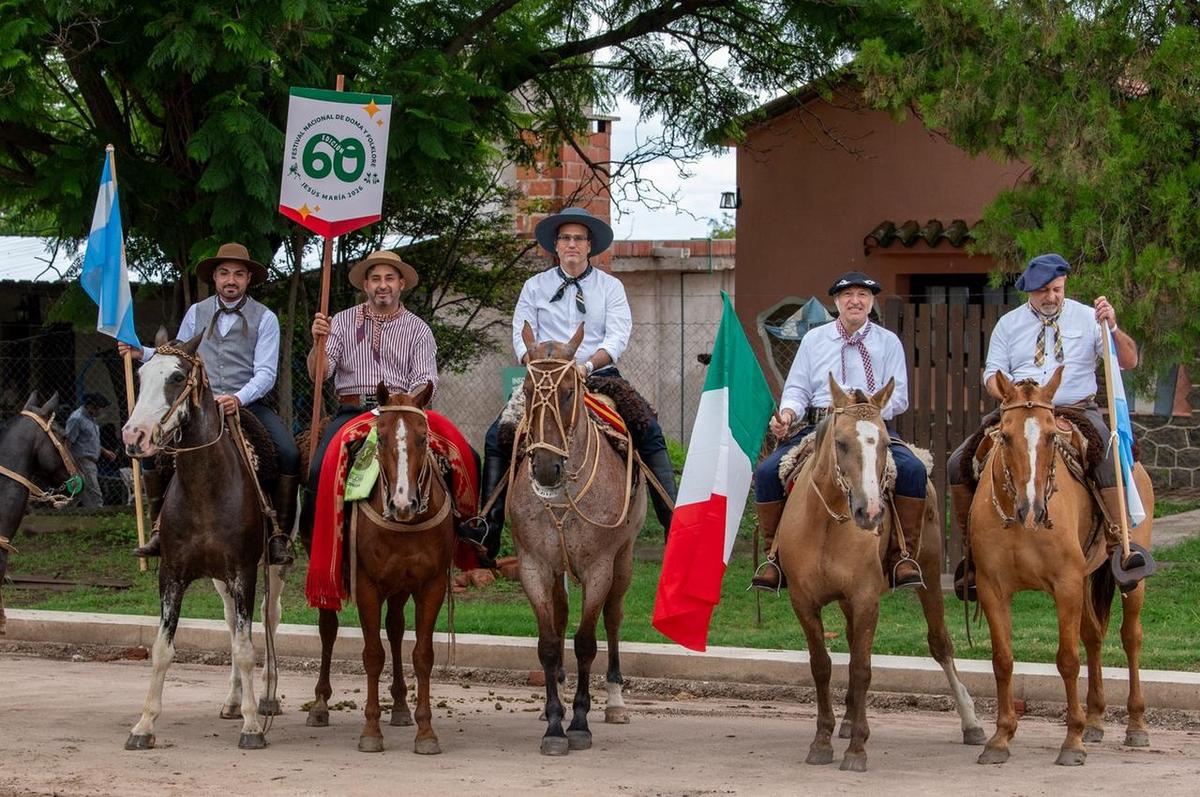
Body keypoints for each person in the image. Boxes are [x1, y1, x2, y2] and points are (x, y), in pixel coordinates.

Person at [470, 207, 679, 561]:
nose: (571, 244)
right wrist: (533, 365)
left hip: (597, 376)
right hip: (544, 378)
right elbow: (521, 336)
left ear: (589, 246)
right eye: (565, 238)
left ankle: (673, 521)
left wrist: (586, 366)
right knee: (498, 435)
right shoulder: (534, 287)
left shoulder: (610, 287)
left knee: (647, 427)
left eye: (578, 239)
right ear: (556, 245)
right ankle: (488, 527)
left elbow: (617, 337)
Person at [946, 253, 1139, 589]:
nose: (1051, 296)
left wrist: (1113, 326)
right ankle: (973, 553)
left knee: (1108, 457)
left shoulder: (1089, 317)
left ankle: (1119, 545)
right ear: (1029, 292)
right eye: (1044, 291)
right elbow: (992, 373)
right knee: (956, 462)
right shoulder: (1008, 324)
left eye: (1057, 289)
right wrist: (1006, 393)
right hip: (1018, 408)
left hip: (1076, 408)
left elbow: (1129, 360)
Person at [119, 242, 298, 565]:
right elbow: (178, 357)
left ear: (248, 280)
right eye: (225, 273)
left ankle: (277, 536)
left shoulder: (266, 318)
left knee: (288, 453)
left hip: (246, 403)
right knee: (152, 452)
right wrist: (142, 353)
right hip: (197, 406)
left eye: (239, 274)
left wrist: (237, 398)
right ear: (215, 277)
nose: (231, 280)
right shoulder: (196, 312)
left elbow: (266, 373)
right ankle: (160, 528)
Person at [750, 271, 926, 591]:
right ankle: (774, 556)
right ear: (836, 302)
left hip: (871, 426)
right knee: (767, 472)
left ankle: (903, 555)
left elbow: (898, 396)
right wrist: (787, 414)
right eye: (848, 296)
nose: (855, 301)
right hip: (820, 424)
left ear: (871, 302)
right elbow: (797, 389)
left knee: (913, 470)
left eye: (862, 296)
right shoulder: (814, 340)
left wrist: (863, 413)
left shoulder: (887, 342)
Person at [65, 393, 116, 508]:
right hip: (81, 460)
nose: (101, 412)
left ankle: (68, 511)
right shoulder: (77, 419)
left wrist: (104, 451)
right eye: (100, 408)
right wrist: (70, 464)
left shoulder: (91, 418)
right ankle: (98, 515)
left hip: (90, 461)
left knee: (82, 492)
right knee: (94, 493)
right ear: (92, 407)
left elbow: (89, 440)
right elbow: (67, 443)